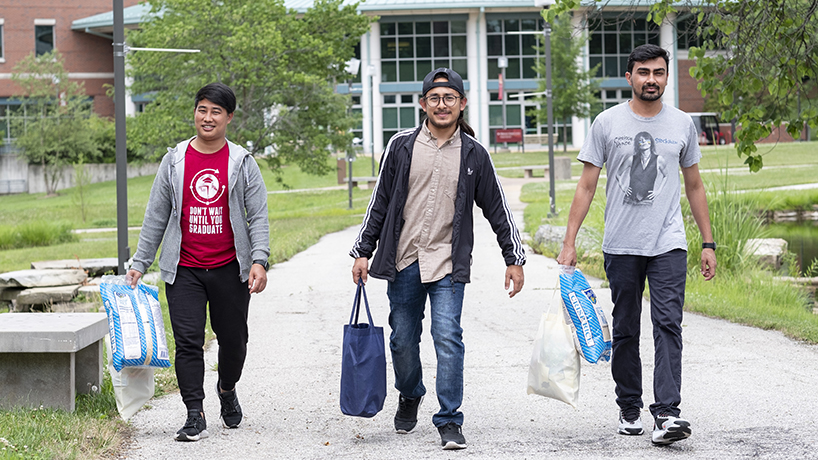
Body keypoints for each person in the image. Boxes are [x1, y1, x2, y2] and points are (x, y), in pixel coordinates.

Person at [349, 68, 526, 450]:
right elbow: (379, 202)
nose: (442, 105)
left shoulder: (474, 154)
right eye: (434, 98)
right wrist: (363, 250)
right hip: (404, 261)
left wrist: (514, 257)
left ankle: (449, 419)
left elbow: (497, 208)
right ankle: (410, 392)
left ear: (462, 104)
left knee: (448, 337)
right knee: (402, 341)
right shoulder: (401, 145)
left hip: (448, 262)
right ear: (423, 103)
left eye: (450, 98)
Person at [556, 44, 717, 445]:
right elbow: (587, 185)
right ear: (629, 77)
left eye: (659, 72)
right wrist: (569, 241)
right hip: (622, 245)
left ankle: (667, 413)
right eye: (643, 72)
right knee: (626, 327)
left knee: (668, 324)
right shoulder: (607, 123)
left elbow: (694, 185)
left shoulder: (682, 125)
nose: (652, 79)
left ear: (667, 77)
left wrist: (708, 242)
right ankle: (629, 407)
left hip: (669, 243)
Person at [127, 82, 270, 442]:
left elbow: (259, 216)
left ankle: (226, 388)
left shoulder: (241, 162)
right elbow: (156, 214)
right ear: (195, 112)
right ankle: (194, 413)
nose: (207, 117)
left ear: (229, 117)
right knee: (188, 341)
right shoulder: (174, 160)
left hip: (229, 268)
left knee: (233, 340)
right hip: (184, 268)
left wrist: (259, 260)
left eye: (216, 111)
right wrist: (140, 261)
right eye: (202, 109)